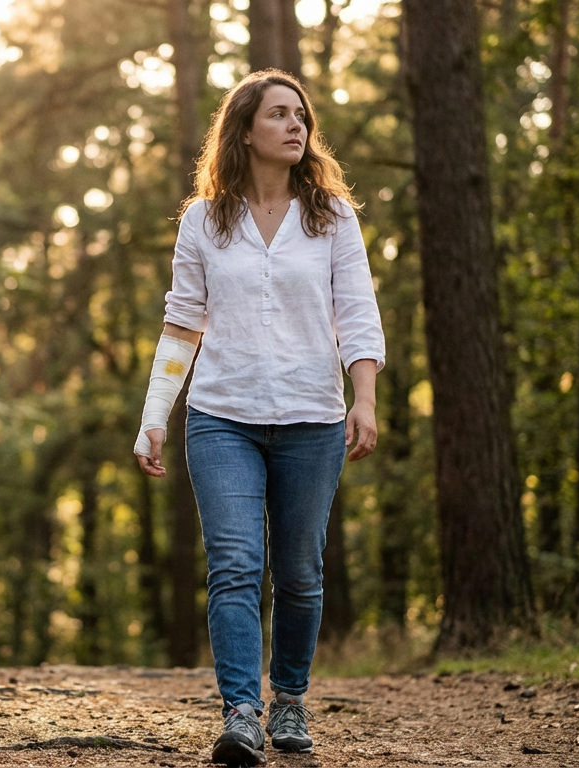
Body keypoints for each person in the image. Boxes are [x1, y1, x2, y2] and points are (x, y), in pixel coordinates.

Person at [133, 69, 385, 767]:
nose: (295, 125)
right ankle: (241, 711)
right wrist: (155, 416)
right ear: (245, 130)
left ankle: (292, 700)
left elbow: (357, 315)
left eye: (300, 115)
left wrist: (363, 398)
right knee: (236, 566)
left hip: (312, 417)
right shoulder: (204, 220)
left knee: (300, 572)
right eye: (278, 114)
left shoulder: (331, 215)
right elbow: (182, 327)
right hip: (223, 417)